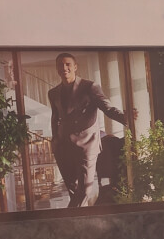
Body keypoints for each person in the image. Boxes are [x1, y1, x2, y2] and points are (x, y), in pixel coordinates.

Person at [47, 52, 128, 208]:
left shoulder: (89, 87)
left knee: (84, 191)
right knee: (74, 191)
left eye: (68, 64)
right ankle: (77, 223)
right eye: (60, 65)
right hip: (63, 147)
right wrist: (55, 141)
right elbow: (55, 118)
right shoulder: (53, 93)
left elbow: (107, 107)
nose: (64, 68)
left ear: (75, 67)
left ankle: (73, 223)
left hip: (87, 145)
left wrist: (126, 118)